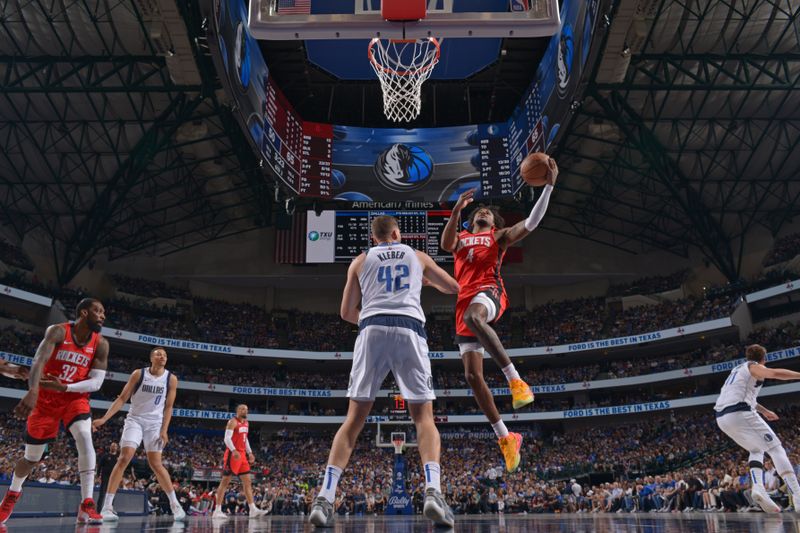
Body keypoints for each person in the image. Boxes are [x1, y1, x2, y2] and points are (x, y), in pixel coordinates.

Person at [308, 215, 460, 528]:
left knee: (353, 421)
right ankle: (433, 491)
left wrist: (373, 312)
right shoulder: (417, 256)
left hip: (371, 328)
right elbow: (453, 287)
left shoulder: (359, 261)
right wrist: (424, 280)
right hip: (409, 327)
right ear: (395, 233)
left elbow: (346, 313)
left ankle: (325, 497)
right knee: (423, 418)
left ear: (375, 238)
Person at [440, 156, 558, 472]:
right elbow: (445, 242)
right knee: (472, 376)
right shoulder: (461, 238)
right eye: (479, 211)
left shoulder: (499, 237)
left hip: (490, 292)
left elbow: (531, 223)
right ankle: (506, 438)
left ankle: (516, 380)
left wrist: (548, 187)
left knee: (475, 318)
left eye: (488, 212)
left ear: (495, 223)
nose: (482, 212)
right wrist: (455, 212)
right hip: (464, 301)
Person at [0, 298, 109, 524]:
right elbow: (38, 360)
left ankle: (87, 502)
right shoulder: (58, 332)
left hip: (74, 397)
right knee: (31, 458)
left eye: (103, 313)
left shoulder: (101, 344)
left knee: (84, 436)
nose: (103, 316)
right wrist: (33, 391)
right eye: (98, 312)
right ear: (84, 313)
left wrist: (66, 387)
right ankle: (12, 494)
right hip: (46, 399)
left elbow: (96, 383)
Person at [92, 347, 184, 521]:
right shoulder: (138, 374)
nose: (162, 356)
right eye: (158, 354)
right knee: (124, 457)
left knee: (156, 464)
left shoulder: (171, 379)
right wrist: (104, 418)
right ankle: (107, 507)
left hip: (155, 423)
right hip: (135, 419)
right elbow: (122, 399)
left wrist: (164, 429)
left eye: (164, 355)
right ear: (151, 358)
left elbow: (169, 407)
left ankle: (175, 504)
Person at [714, 343, 800, 512]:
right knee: (776, 449)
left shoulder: (736, 371)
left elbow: (748, 398)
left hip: (722, 418)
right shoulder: (753, 367)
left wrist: (765, 411)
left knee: (756, 449)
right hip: (739, 412)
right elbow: (774, 373)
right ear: (763, 359)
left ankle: (759, 488)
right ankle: (797, 494)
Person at [211, 404, 266, 519]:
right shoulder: (232, 422)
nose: (244, 410)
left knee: (247, 482)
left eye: (246, 409)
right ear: (237, 410)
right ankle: (217, 510)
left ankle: (252, 509)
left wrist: (250, 452)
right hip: (233, 455)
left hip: (242, 455)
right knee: (225, 482)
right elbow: (227, 438)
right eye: (242, 409)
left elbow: (245, 440)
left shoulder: (246, 423)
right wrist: (234, 450)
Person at [96, 442, 119, 508]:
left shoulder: (118, 458)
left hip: (114, 479)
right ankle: (99, 510)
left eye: (115, 446)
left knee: (112, 494)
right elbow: (99, 466)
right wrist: (98, 476)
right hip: (105, 478)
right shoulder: (105, 456)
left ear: (117, 448)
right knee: (102, 494)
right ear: (110, 447)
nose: (113, 447)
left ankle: (110, 509)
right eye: (112, 446)